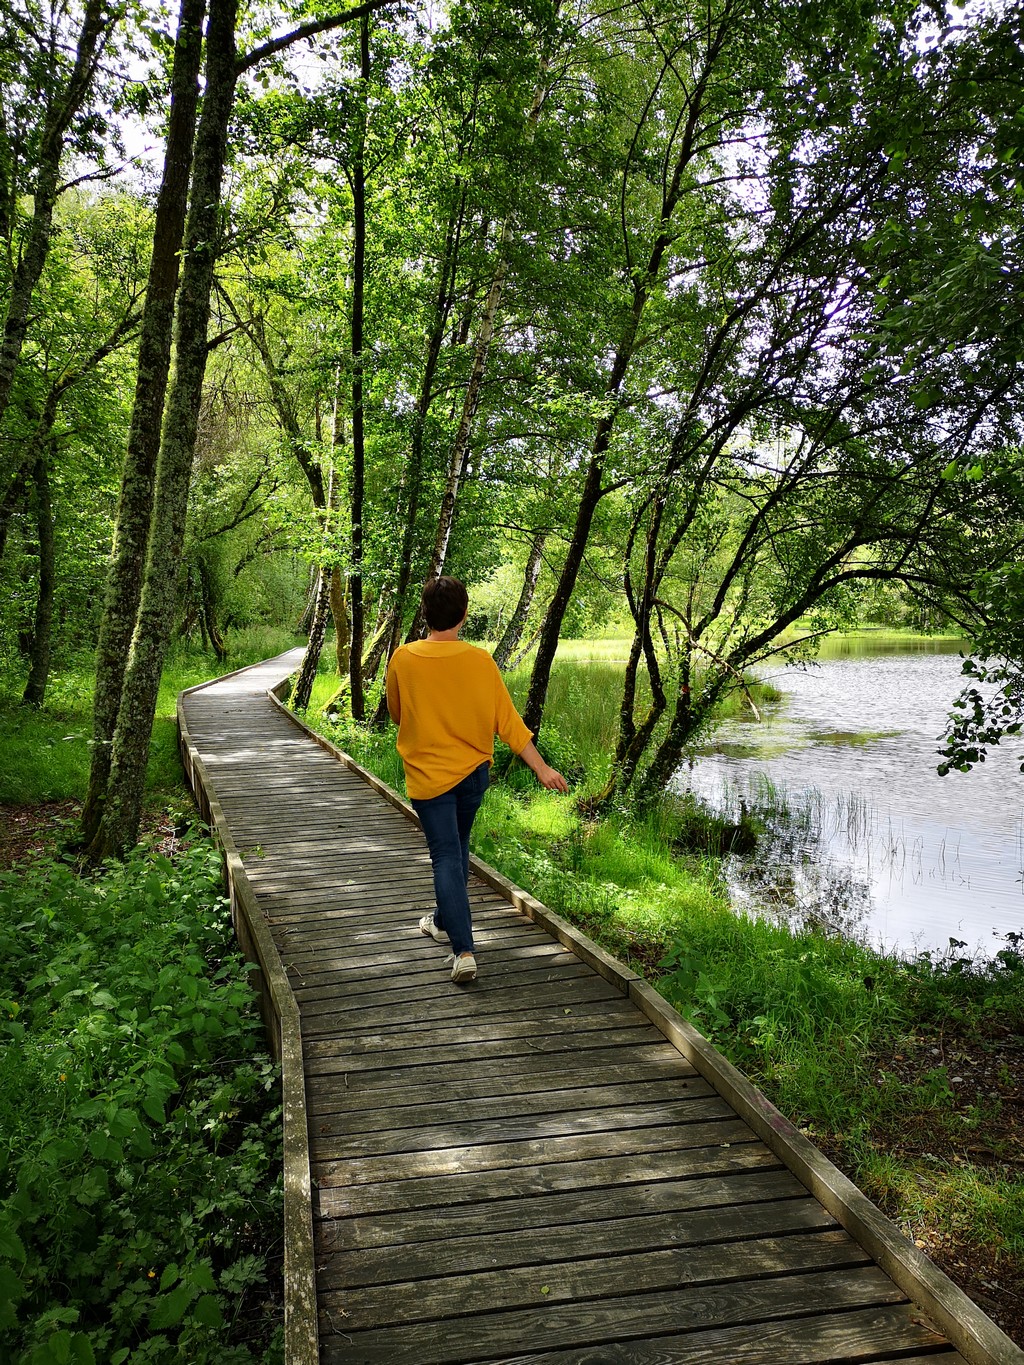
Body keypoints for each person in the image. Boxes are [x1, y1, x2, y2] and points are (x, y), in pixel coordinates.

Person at [386, 576, 569, 983]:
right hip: (472, 777)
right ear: (465, 615)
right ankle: (440, 919)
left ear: (425, 614)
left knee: (447, 855)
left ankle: (464, 950)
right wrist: (542, 768)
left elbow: (398, 714)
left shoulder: (402, 658)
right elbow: (509, 723)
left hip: (429, 778)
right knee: (456, 849)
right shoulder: (481, 661)